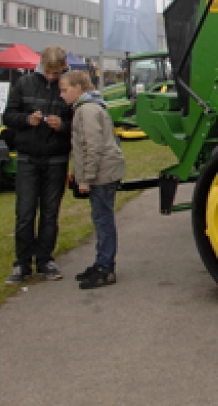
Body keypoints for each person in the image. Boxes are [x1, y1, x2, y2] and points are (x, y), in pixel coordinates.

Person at [2, 46, 73, 284]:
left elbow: (77, 123)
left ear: (63, 67)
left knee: (50, 213)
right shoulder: (24, 83)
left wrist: (61, 125)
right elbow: (7, 116)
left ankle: (45, 259)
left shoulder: (68, 87)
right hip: (28, 157)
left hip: (56, 158)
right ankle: (22, 263)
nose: (52, 77)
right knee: (24, 212)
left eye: (57, 72)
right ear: (41, 64)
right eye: (49, 71)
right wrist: (25, 119)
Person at [59, 70, 126, 289]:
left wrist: (85, 178)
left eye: (65, 90)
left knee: (103, 219)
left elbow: (92, 146)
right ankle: (101, 263)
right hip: (104, 171)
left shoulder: (86, 110)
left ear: (78, 88)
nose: (62, 95)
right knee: (101, 218)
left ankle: (105, 267)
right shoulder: (88, 107)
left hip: (101, 174)